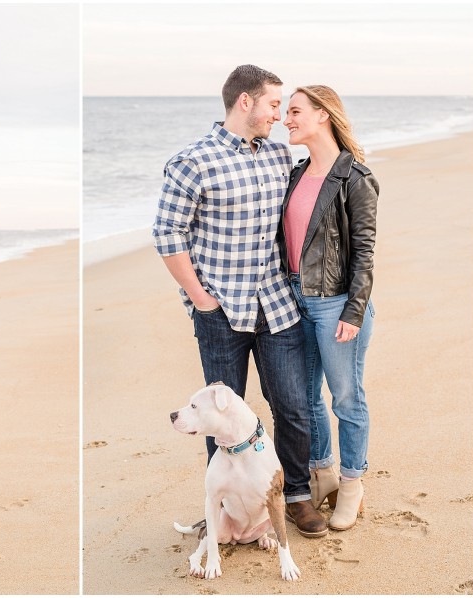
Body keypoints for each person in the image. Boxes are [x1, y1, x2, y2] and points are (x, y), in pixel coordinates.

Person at [153, 64, 327, 537]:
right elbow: (167, 235)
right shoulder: (193, 161)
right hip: (220, 313)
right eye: (274, 104)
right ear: (245, 102)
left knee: (291, 405)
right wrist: (199, 297)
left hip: (276, 306)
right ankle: (224, 509)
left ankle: (294, 496)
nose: (279, 114)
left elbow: (317, 180)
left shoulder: (276, 155)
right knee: (218, 418)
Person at [279, 85, 379, 530]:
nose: (287, 119)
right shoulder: (296, 174)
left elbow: (364, 253)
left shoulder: (355, 178)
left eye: (296, 111)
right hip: (296, 299)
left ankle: (352, 484)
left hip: (337, 302)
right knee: (304, 398)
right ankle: (323, 475)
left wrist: (354, 312)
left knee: (346, 399)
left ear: (322, 115)